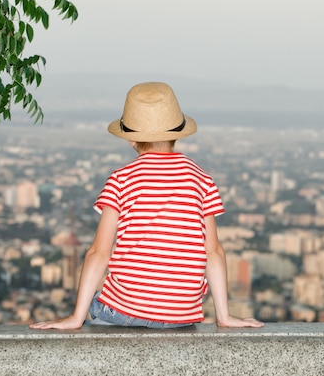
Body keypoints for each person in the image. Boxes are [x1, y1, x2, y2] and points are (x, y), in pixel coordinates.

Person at [30, 82, 264, 330]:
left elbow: (98, 253)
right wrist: (224, 317)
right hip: (181, 316)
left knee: (100, 303)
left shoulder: (122, 178)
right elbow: (214, 252)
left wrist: (76, 318)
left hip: (125, 311)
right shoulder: (201, 178)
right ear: (178, 132)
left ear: (130, 138)